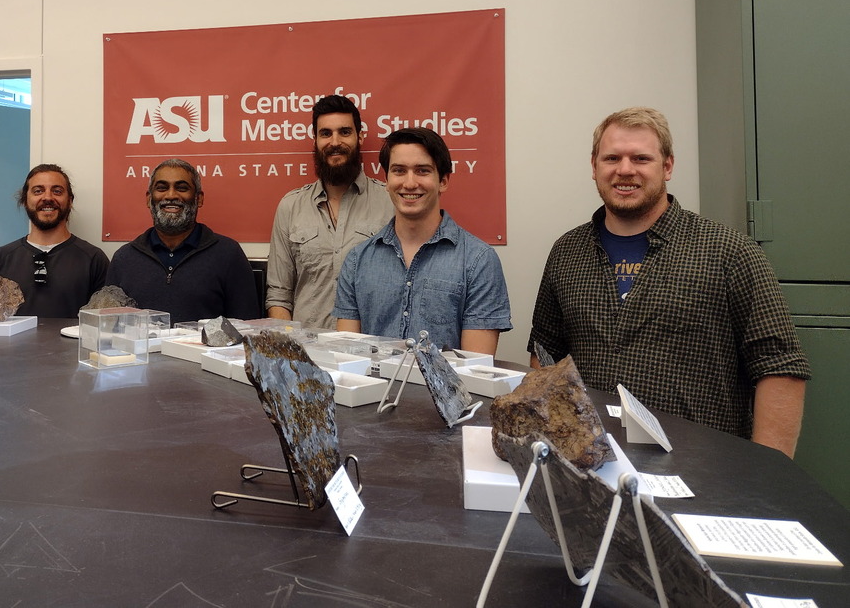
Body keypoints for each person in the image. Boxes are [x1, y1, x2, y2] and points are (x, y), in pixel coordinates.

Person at [528, 107, 811, 457]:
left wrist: (769, 476)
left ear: (667, 167)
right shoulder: (567, 252)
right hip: (593, 462)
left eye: (641, 158)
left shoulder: (728, 251)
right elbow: (545, 358)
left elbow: (779, 368)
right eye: (612, 157)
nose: (625, 169)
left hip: (704, 469)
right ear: (594, 167)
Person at [333, 127, 511, 354]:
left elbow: (474, 371)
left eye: (422, 171)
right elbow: (349, 361)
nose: (409, 183)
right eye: (399, 171)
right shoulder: (357, 261)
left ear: (444, 181)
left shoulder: (479, 261)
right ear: (386, 180)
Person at [266, 94, 393, 328]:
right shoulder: (290, 206)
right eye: (326, 134)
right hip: (308, 353)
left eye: (345, 132)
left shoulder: (391, 202)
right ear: (314, 140)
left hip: (371, 352)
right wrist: (291, 349)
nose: (335, 142)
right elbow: (279, 295)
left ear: (360, 137)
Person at [105, 159, 259, 324]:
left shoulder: (228, 254)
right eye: (162, 188)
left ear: (198, 199)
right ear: (149, 199)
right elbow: (111, 329)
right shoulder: (124, 259)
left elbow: (247, 329)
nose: (171, 195)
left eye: (182, 188)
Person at [0, 164, 108, 318]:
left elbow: (105, 326)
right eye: (38, 191)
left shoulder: (94, 260)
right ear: (25, 200)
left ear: (70, 200)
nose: (47, 197)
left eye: (57, 191)